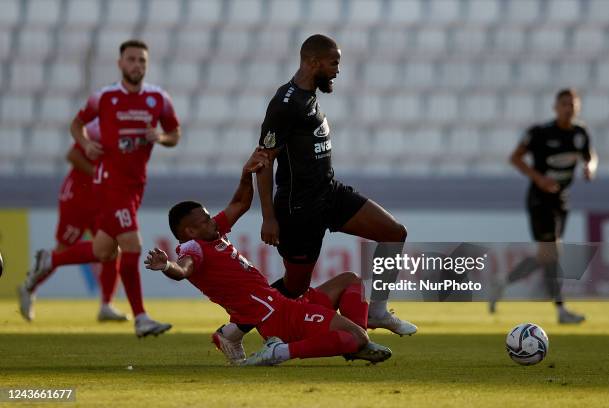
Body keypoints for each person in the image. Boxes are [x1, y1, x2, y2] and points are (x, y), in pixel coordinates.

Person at [144, 150, 392, 366]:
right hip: (277, 319)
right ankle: (280, 351)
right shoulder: (193, 249)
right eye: (206, 219)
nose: (213, 220)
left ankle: (354, 345)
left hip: (282, 304)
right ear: (190, 231)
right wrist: (166, 265)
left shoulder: (211, 233)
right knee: (357, 336)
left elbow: (240, 203)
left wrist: (246, 173)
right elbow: (183, 270)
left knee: (351, 281)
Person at [256, 34, 416, 335]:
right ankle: (236, 329)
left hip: (329, 193)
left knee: (394, 233)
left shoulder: (309, 96)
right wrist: (268, 216)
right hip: (299, 207)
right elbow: (263, 161)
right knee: (295, 287)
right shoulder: (285, 104)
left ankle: (378, 312)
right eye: (334, 63)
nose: (338, 70)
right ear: (313, 62)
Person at [24, 39, 181, 337]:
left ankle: (51, 259)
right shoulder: (105, 97)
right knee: (132, 245)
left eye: (142, 61)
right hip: (109, 182)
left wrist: (159, 137)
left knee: (105, 250)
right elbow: (76, 124)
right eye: (132, 60)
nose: (137, 65)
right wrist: (86, 144)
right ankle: (141, 318)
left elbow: (175, 133)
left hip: (135, 185)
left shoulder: (158, 98)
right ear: (120, 63)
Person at [490, 88, 598, 324]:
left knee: (545, 256)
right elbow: (515, 157)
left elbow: (590, 156)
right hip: (540, 200)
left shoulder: (580, 133)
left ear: (577, 107)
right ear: (556, 107)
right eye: (564, 104)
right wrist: (538, 178)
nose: (569, 109)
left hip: (561, 200)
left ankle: (502, 283)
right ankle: (561, 310)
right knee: (552, 252)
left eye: (573, 104)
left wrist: (590, 167)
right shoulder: (540, 133)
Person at [19, 120, 127, 322]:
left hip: (100, 200)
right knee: (63, 249)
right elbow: (73, 155)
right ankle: (29, 286)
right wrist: (100, 175)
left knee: (113, 249)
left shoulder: (127, 132)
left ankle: (106, 305)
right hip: (78, 198)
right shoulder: (100, 127)